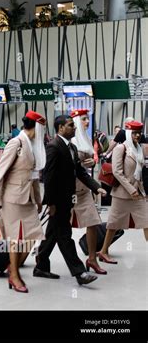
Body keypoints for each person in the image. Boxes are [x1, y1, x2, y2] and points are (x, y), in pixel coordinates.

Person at [34, 114, 107, 286]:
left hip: (68, 199)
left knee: (52, 234)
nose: (74, 128)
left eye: (74, 125)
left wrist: (96, 187)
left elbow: (80, 172)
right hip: (58, 201)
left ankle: (41, 265)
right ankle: (79, 272)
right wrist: (50, 203)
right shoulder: (53, 146)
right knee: (65, 236)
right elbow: (48, 177)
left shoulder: (72, 147)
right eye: (70, 125)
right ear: (60, 128)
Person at [0, 111, 46, 293]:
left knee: (33, 236)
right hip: (12, 198)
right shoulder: (16, 143)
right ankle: (14, 275)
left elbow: (35, 175)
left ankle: (13, 268)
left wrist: (38, 199)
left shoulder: (32, 145)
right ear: (36, 127)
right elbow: (0, 171)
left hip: (28, 197)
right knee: (15, 238)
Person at [98, 120, 148, 263]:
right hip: (122, 194)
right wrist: (131, 189)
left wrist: (141, 190)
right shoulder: (121, 148)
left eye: (139, 133)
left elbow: (140, 172)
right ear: (128, 133)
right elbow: (117, 172)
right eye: (134, 133)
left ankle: (103, 251)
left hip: (138, 193)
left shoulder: (138, 148)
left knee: (146, 221)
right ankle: (103, 251)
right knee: (114, 224)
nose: (137, 136)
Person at [70, 109, 107, 274]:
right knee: (58, 229)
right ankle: (42, 255)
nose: (87, 122)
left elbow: (86, 164)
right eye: (84, 119)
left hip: (84, 190)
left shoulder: (85, 138)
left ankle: (92, 259)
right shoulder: (69, 142)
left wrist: (91, 163)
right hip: (69, 191)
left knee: (93, 222)